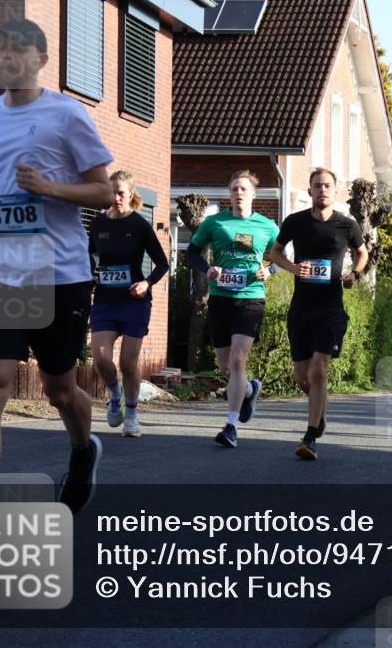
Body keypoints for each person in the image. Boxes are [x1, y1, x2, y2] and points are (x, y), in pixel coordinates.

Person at [0, 19, 114, 513]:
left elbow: (103, 192)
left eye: (18, 51)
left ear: (41, 60)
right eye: (0, 51)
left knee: (59, 389)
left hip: (59, 273)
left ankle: (82, 450)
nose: (7, 59)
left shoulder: (67, 114)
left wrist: (50, 188)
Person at [269, 168, 367, 460]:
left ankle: (310, 435)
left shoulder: (347, 225)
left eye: (327, 186)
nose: (322, 190)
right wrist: (293, 268)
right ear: (310, 190)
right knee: (302, 376)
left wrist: (354, 275)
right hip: (301, 308)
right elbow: (275, 252)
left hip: (331, 308)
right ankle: (319, 411)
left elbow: (362, 253)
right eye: (317, 186)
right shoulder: (295, 222)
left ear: (335, 191)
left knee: (319, 368)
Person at [187, 170, 279, 448]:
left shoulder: (267, 226)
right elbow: (191, 252)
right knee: (227, 367)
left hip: (251, 298)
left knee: (239, 361)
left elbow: (284, 256)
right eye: (234, 189)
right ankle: (250, 389)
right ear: (229, 194)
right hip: (220, 298)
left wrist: (269, 270)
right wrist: (208, 268)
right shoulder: (215, 222)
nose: (238, 193)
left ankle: (231, 426)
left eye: (243, 189)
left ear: (253, 194)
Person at [89, 170, 169, 438]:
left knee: (128, 363)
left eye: (121, 193)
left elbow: (162, 263)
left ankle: (132, 415)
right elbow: (88, 255)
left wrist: (147, 283)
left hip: (134, 302)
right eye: (111, 192)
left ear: (131, 194)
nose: (116, 198)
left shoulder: (139, 225)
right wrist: (90, 274)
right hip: (105, 300)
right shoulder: (98, 224)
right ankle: (115, 393)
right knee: (101, 358)